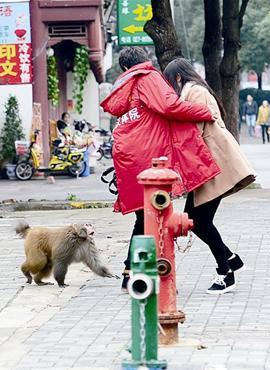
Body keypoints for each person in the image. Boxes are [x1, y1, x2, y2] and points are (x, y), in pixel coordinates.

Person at [100, 47, 220, 293]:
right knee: (154, 218)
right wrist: (205, 111)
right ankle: (149, 279)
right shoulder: (148, 76)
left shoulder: (125, 86)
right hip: (149, 156)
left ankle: (131, 274)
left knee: (143, 217)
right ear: (145, 61)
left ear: (124, 67)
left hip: (128, 156)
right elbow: (169, 106)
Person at [164, 58, 256, 294]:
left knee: (199, 221)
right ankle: (231, 260)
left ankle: (226, 272)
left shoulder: (194, 92)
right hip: (208, 163)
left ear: (177, 77)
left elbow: (194, 129)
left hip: (212, 163)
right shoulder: (195, 90)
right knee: (196, 220)